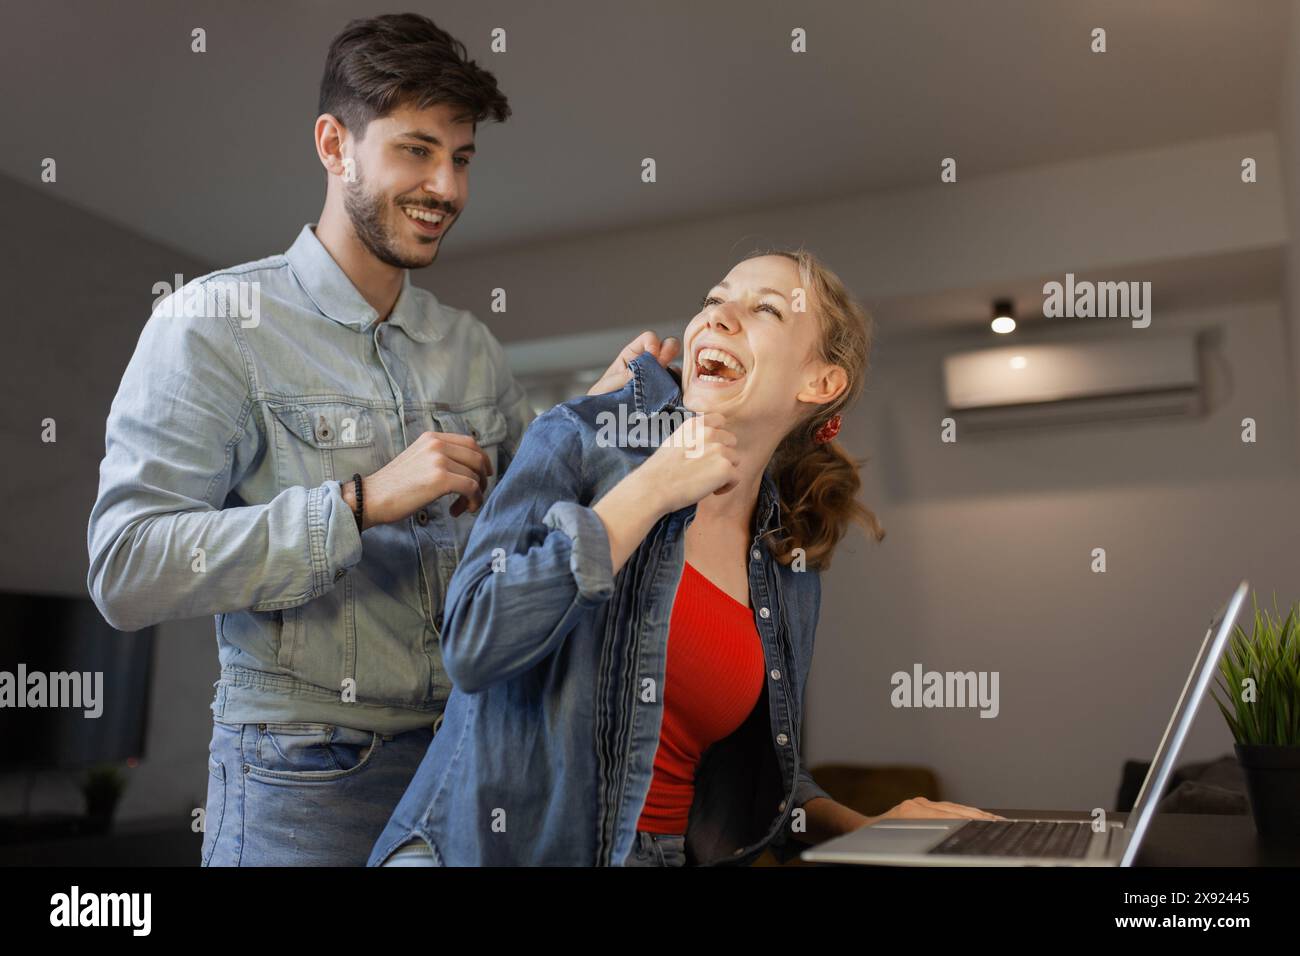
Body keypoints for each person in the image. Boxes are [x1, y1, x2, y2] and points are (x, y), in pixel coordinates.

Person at [85, 12, 676, 866]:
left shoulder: (469, 346)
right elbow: (125, 568)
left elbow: (522, 538)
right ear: (335, 144)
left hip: (464, 765)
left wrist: (590, 417)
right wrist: (359, 505)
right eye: (416, 150)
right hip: (300, 783)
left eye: (462, 158)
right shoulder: (212, 325)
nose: (448, 187)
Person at [370, 249, 1001, 867]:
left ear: (821, 382)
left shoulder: (786, 567)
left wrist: (872, 828)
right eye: (714, 299)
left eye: (767, 310)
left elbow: (757, 780)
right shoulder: (582, 435)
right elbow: (477, 641)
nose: (719, 317)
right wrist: (652, 488)